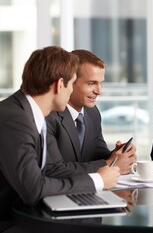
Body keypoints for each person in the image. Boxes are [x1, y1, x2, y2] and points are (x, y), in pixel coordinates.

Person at [0, 46, 120, 232]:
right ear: (59, 84)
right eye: (72, 84)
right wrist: (98, 180)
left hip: (30, 213)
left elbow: (49, 171)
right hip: (11, 222)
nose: (71, 91)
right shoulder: (15, 118)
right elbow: (34, 189)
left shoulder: (30, 113)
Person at [46, 49, 136, 174]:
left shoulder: (92, 113)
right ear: (70, 82)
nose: (99, 91)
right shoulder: (49, 116)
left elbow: (98, 155)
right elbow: (55, 171)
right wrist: (110, 164)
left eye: (100, 83)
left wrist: (118, 155)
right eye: (91, 83)